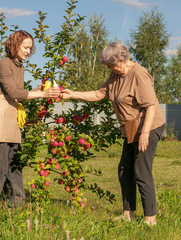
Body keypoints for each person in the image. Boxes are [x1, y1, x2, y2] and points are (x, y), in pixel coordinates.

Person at [60, 42, 165, 226]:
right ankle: (128, 213)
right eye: (108, 66)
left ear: (122, 59)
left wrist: (145, 133)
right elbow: (99, 94)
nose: (110, 68)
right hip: (131, 128)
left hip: (149, 125)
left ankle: (150, 218)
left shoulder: (138, 74)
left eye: (111, 65)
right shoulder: (115, 75)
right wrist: (72, 94)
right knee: (124, 170)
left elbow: (150, 106)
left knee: (141, 170)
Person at [0, 30, 61, 211]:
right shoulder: (3, 64)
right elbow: (13, 93)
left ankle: (16, 206)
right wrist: (42, 93)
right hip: (0, 117)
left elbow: (20, 94)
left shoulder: (19, 67)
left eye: (30, 48)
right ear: (14, 45)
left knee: (13, 164)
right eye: (25, 47)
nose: (28, 51)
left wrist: (38, 89)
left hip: (13, 116)